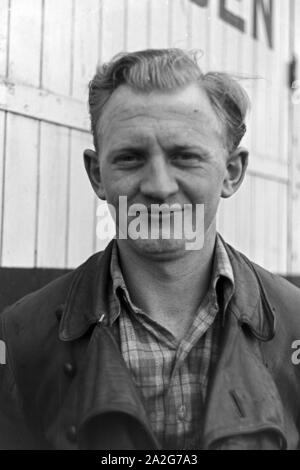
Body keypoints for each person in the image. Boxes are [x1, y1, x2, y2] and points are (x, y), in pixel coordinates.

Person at [0, 48, 300, 450]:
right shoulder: (22, 340)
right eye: (130, 158)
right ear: (97, 175)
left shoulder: (296, 327)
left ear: (231, 172)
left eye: (185, 157)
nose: (159, 187)